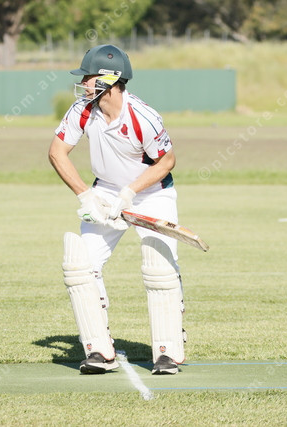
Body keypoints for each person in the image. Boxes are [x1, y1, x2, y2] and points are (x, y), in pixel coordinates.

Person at [48, 44, 186, 375]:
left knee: (160, 267)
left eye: (88, 77)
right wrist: (86, 196)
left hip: (152, 194)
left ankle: (168, 352)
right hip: (105, 191)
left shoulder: (143, 117)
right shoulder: (82, 110)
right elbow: (57, 152)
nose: (83, 83)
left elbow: (167, 161)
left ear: (109, 80)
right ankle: (98, 350)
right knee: (81, 265)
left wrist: (130, 193)